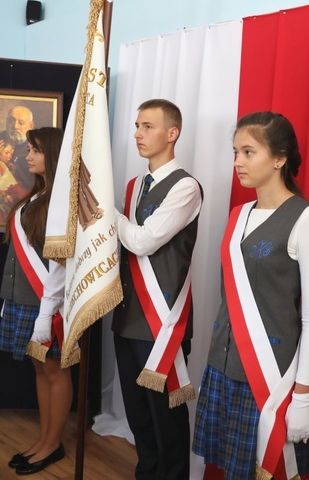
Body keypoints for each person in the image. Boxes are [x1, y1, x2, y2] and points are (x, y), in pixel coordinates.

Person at [193, 111, 309, 479]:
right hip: (223, 369)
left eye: (248, 152)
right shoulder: (238, 214)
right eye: (235, 152)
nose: (237, 162)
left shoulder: (306, 219)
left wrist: (303, 396)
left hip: (267, 376)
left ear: (280, 158)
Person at [112, 98, 203, 479]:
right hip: (127, 315)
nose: (137, 133)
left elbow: (143, 242)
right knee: (138, 416)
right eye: (137, 125)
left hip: (162, 322)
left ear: (172, 133)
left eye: (147, 126)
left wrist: (107, 215)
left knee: (165, 418)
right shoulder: (135, 187)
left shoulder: (186, 187)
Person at [0, 127, 71, 475]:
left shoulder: (63, 201)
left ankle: (53, 444)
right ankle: (43, 439)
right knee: (40, 370)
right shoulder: (34, 197)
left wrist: (47, 313)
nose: (28, 156)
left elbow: (59, 264)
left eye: (35, 150)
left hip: (46, 304)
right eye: (28, 149)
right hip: (22, 299)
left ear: (52, 155)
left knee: (55, 371)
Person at [0, 141, 27, 222]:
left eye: (11, 154)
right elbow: (11, 188)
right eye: (6, 152)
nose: (9, 156)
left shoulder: (2, 164)